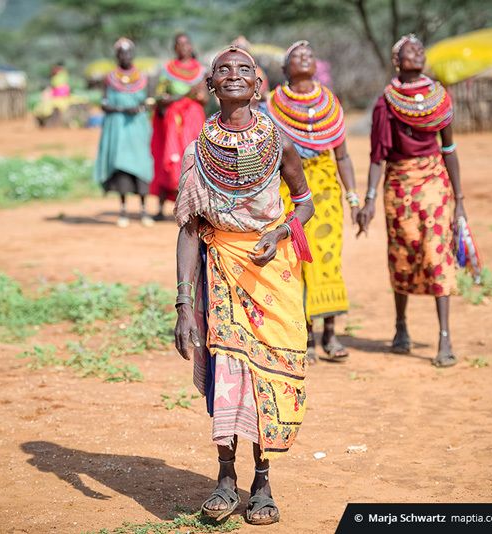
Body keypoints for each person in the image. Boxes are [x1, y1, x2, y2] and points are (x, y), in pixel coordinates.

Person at [173, 46, 315, 525]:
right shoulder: (198, 151)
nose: (234, 75)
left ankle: (264, 481)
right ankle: (226, 478)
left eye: (244, 69)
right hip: (220, 274)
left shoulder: (280, 142)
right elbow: (190, 230)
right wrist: (182, 303)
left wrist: (279, 232)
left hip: (271, 272)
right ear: (210, 84)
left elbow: (305, 204)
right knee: (229, 374)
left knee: (266, 377)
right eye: (223, 69)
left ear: (258, 84)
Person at [356, 34, 466, 367]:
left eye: (419, 50)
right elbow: (378, 157)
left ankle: (444, 338)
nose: (415, 53)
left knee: (437, 254)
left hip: (434, 181)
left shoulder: (439, 99)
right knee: (402, 254)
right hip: (399, 185)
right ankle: (401, 326)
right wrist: (370, 199)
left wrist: (459, 200)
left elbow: (448, 149)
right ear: (396, 61)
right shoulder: (386, 103)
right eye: (407, 51)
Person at [267, 41, 359, 363]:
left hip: (325, 190)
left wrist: (354, 197)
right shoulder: (272, 104)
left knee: (327, 257)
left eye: (309, 54)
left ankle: (330, 333)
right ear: (285, 68)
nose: (304, 56)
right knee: (295, 258)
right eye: (295, 54)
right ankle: (304, 336)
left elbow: (343, 156)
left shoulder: (330, 104)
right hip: (288, 188)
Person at [94, 38, 154, 227]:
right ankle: (123, 211)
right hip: (118, 128)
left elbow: (149, 101)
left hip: (137, 127)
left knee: (141, 165)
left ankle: (144, 211)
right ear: (117, 55)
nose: (125, 56)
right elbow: (104, 104)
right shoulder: (109, 78)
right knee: (121, 166)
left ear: (133, 54)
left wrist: (140, 108)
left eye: (128, 52)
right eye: (121, 53)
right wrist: (120, 109)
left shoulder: (143, 78)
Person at [150, 32, 207, 221]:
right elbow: (159, 96)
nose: (183, 47)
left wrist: (198, 96)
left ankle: (196, 207)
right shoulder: (167, 70)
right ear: (174, 48)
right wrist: (170, 99)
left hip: (193, 119)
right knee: (172, 156)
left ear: (191, 46)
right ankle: (161, 206)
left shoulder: (201, 71)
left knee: (194, 157)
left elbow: (206, 98)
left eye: (186, 43)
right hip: (174, 121)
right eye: (179, 44)